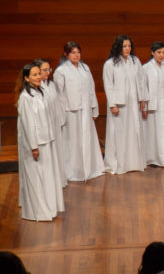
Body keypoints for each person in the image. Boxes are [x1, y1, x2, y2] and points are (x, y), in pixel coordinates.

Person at [16, 63, 65, 221]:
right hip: (36, 143)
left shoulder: (40, 92)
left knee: (46, 176)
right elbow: (28, 124)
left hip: (47, 139)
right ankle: (38, 212)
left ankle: (49, 208)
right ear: (26, 78)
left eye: (39, 74)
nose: (38, 77)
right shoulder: (25, 97)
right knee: (36, 177)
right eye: (34, 75)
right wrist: (33, 146)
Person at [53, 41, 105, 181]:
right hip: (71, 111)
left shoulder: (85, 68)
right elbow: (59, 95)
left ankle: (90, 168)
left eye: (78, 52)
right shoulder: (61, 71)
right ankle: (73, 171)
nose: (76, 55)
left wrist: (94, 109)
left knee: (87, 139)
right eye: (73, 53)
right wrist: (61, 114)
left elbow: (91, 89)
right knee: (73, 141)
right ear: (66, 54)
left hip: (85, 109)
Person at [103, 35, 148, 174]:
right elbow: (108, 85)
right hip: (119, 104)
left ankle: (134, 163)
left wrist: (143, 100)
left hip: (133, 102)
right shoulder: (110, 64)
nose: (127, 48)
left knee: (134, 130)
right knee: (119, 133)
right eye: (124, 46)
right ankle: (118, 163)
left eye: (129, 46)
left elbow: (141, 80)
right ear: (118, 47)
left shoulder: (135, 61)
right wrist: (112, 104)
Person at [141, 42, 164, 167]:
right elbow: (144, 89)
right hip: (153, 105)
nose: (161, 55)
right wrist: (144, 107)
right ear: (152, 52)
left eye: (163, 52)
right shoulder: (146, 68)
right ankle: (152, 158)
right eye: (159, 52)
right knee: (152, 132)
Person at [33, 58, 67, 189]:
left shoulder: (51, 85)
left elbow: (57, 103)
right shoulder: (36, 88)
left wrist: (60, 121)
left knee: (56, 153)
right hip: (44, 127)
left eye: (49, 70)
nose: (47, 72)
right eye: (44, 70)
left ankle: (57, 180)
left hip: (54, 124)